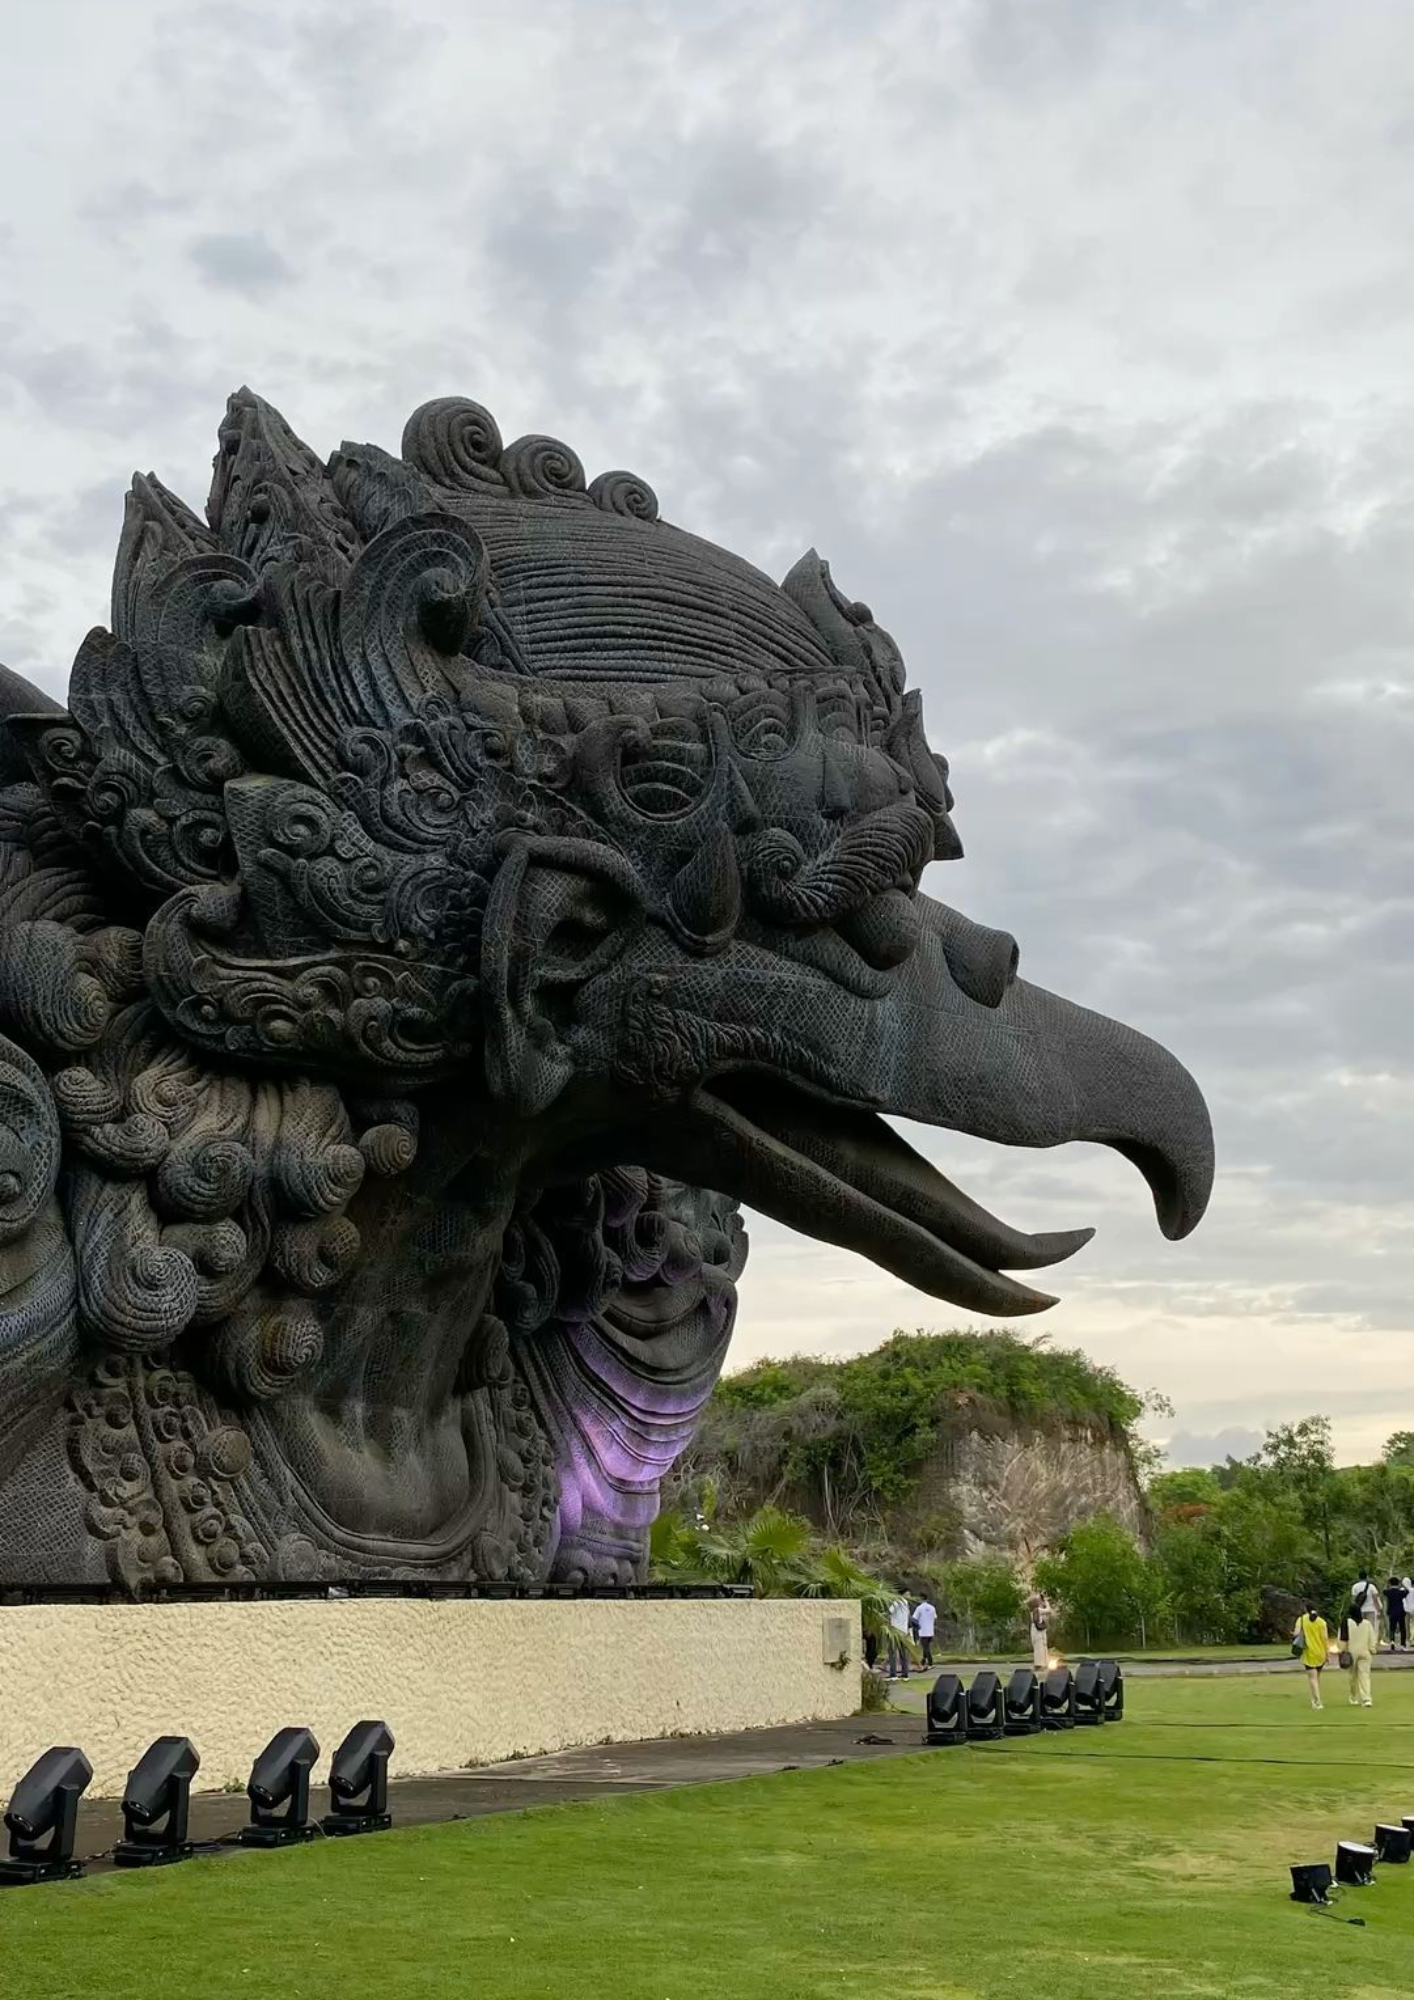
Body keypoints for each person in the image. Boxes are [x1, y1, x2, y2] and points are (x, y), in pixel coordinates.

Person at [1293, 1601, 1329, 1709]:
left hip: (1309, 1652)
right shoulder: (1322, 1622)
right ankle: (1314, 1699)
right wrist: (1327, 1654)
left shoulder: (1302, 1620)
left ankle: (1318, 1701)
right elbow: (1325, 1639)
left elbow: (1296, 1633)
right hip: (1320, 1653)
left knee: (1312, 1678)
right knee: (1316, 1677)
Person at [1347, 1601, 1377, 1707]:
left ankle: (1353, 1696)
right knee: (1365, 1676)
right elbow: (1372, 1638)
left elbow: (1341, 1639)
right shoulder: (1367, 1623)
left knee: (1352, 1677)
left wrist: (1341, 1650)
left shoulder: (1346, 1623)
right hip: (1365, 1652)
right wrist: (1372, 1649)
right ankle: (1366, 1699)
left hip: (1351, 1653)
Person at [885, 1590, 912, 1680]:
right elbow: (908, 1617)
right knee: (903, 1653)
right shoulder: (906, 1603)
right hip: (903, 1631)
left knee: (892, 1652)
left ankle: (893, 1674)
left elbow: (889, 1611)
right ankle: (905, 1674)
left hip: (895, 1631)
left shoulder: (897, 1602)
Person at [1352, 1571, 1381, 1643]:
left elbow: (1353, 1600)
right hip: (1371, 1609)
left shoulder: (1355, 1586)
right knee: (1371, 1628)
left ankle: (1361, 1643)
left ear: (1358, 1577)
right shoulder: (1371, 1586)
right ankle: (1371, 1643)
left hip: (1359, 1610)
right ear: (1367, 1577)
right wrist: (1378, 1610)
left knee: (1360, 1627)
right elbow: (1375, 1599)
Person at [1027, 1588, 1051, 1673]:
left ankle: (1039, 1664)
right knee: (1041, 1647)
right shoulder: (1038, 1610)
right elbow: (1049, 1610)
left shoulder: (1032, 1611)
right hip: (1039, 1631)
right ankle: (1042, 1664)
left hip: (1034, 1630)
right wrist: (1046, 1601)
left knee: (1038, 1647)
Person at [911, 1593, 937, 1668]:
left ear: (921, 1599)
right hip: (930, 1631)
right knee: (926, 1647)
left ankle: (930, 1662)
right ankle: (923, 1661)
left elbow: (914, 1618)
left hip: (923, 1631)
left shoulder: (919, 1608)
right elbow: (935, 1617)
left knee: (926, 1648)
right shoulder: (932, 1608)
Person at [1386, 1574, 1408, 1651]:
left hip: (1391, 1612)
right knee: (1402, 1628)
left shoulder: (1388, 1592)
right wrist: (1402, 1585)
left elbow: (1384, 1590)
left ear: (1390, 1583)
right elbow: (1407, 1591)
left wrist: (1387, 1583)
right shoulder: (1401, 1592)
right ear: (1398, 1583)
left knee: (1392, 1628)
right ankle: (1403, 1645)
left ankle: (1392, 1642)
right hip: (1400, 1611)